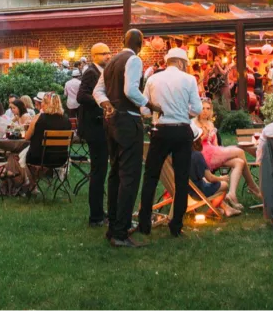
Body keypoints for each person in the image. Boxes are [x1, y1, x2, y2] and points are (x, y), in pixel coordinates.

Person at [138, 47, 202, 238]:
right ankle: (176, 225)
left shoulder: (153, 79)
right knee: (181, 179)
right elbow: (197, 108)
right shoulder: (189, 80)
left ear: (167, 61)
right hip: (182, 130)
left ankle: (144, 223)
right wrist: (184, 113)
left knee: (151, 176)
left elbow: (144, 110)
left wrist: (156, 113)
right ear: (181, 63)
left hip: (161, 129)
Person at [95, 29, 148, 248]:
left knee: (115, 173)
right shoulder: (133, 60)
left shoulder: (112, 61)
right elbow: (131, 91)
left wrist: (106, 104)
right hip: (129, 121)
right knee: (130, 176)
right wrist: (149, 103)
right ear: (141, 43)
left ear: (122, 41)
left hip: (111, 122)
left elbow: (98, 91)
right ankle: (120, 231)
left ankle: (113, 226)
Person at [191, 98, 262, 203]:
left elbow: (215, 145)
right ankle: (252, 186)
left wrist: (212, 138)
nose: (205, 111)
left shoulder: (210, 124)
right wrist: (203, 137)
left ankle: (232, 194)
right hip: (202, 155)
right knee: (240, 151)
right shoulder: (193, 123)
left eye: (208, 108)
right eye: (202, 108)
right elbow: (193, 145)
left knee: (239, 162)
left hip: (214, 153)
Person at [78, 42, 112, 228]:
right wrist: (102, 101)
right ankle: (96, 215)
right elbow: (81, 96)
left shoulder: (100, 72)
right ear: (94, 56)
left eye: (109, 53)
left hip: (100, 127)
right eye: (103, 53)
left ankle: (99, 212)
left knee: (100, 171)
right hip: (94, 128)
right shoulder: (91, 72)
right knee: (98, 172)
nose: (108, 56)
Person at [24, 92, 72, 188]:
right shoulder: (66, 120)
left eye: (43, 102)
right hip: (60, 158)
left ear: (46, 104)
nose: (41, 104)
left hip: (38, 157)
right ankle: (32, 185)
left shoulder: (38, 118)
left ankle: (31, 185)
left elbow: (26, 137)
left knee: (20, 156)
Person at [189, 126, 240, 217]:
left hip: (183, 192)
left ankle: (226, 208)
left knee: (205, 180)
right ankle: (210, 212)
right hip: (196, 193)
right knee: (224, 185)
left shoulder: (177, 154)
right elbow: (211, 178)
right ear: (196, 140)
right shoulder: (197, 156)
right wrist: (221, 178)